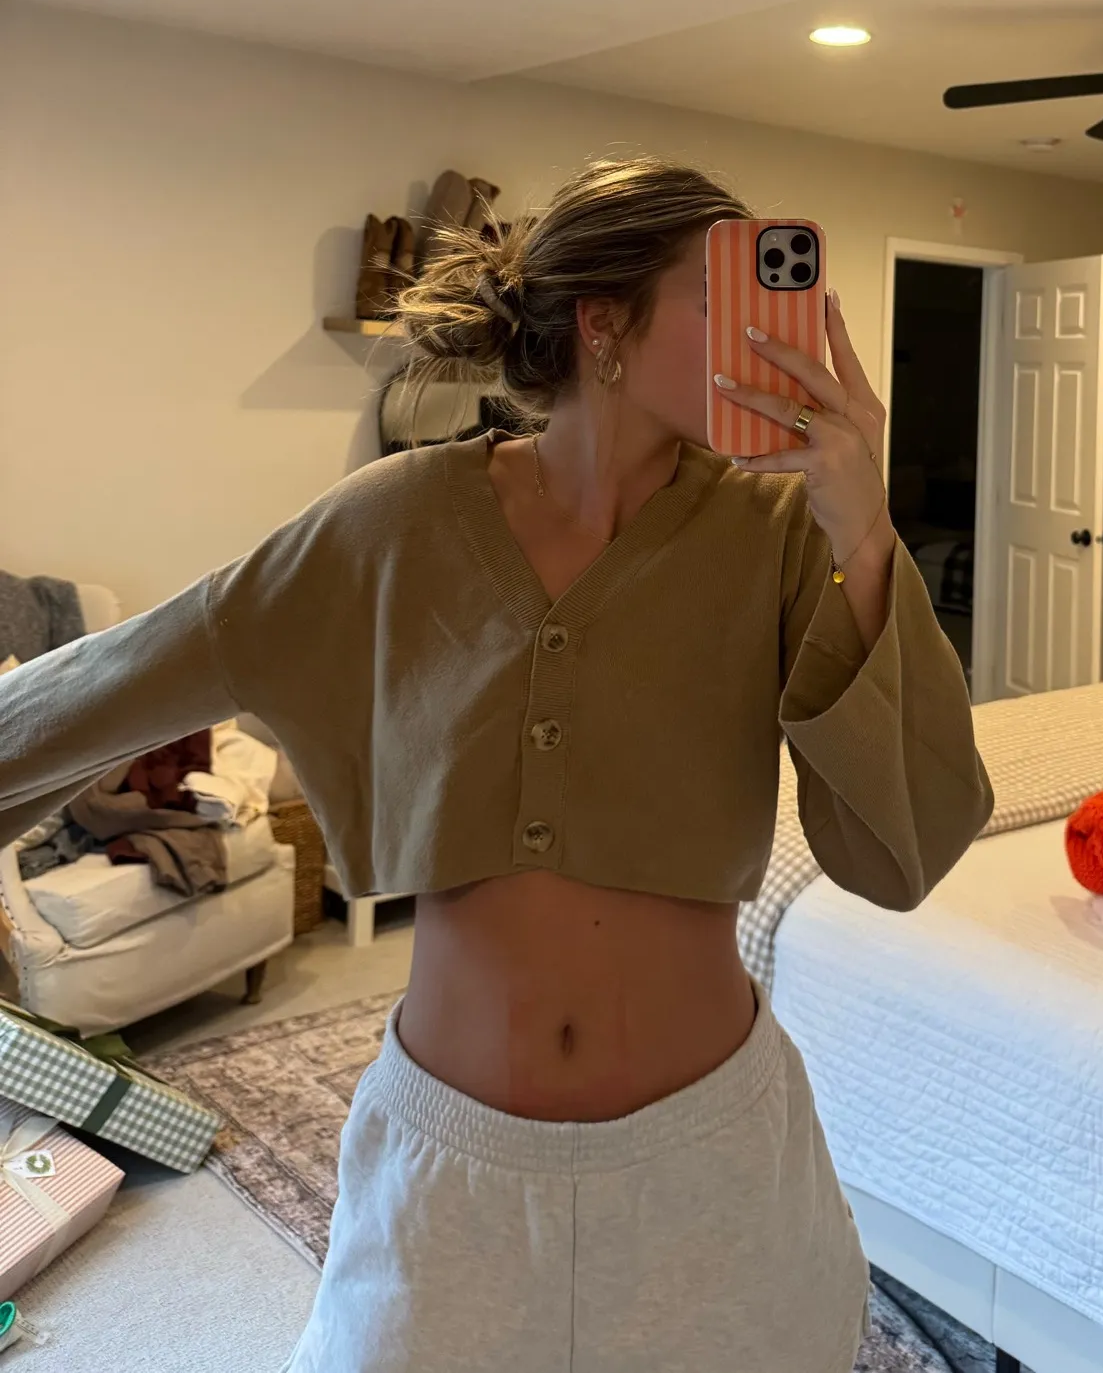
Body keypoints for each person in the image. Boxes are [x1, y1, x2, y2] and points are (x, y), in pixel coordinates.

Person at [0, 155, 993, 1372]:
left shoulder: (784, 530)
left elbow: (901, 848)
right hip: (449, 1178)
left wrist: (867, 534)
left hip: (710, 1170)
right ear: (602, 325)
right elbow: (132, 668)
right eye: (717, 299)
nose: (759, 337)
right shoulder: (398, 518)